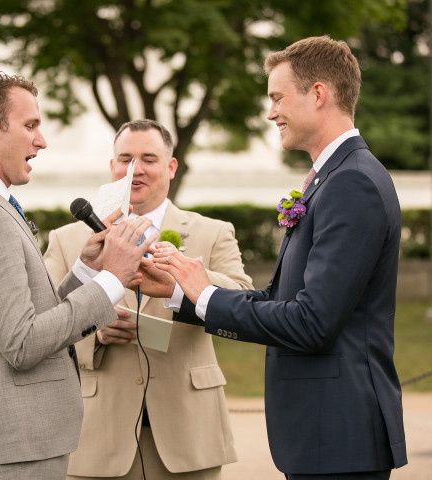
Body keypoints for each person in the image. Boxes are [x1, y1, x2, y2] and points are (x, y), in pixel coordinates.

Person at [145, 36, 408, 479]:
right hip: (324, 437)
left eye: (278, 97)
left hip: (339, 437)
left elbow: (311, 322)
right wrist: (180, 292)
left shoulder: (352, 184)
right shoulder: (332, 178)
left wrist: (207, 293)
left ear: (318, 94)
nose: (271, 113)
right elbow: (279, 297)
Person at [0, 72, 154, 480]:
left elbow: (28, 317)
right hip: (14, 444)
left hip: (22, 440)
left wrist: (86, 271)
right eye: (31, 125)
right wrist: (112, 279)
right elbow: (22, 343)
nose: (42, 140)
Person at [44, 119, 253, 479]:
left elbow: (244, 301)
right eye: (124, 159)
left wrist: (183, 279)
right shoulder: (67, 240)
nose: (135, 169)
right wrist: (93, 333)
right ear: (112, 167)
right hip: (98, 439)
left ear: (171, 167)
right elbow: (43, 324)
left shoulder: (212, 232)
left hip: (189, 436)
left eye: (148, 159)